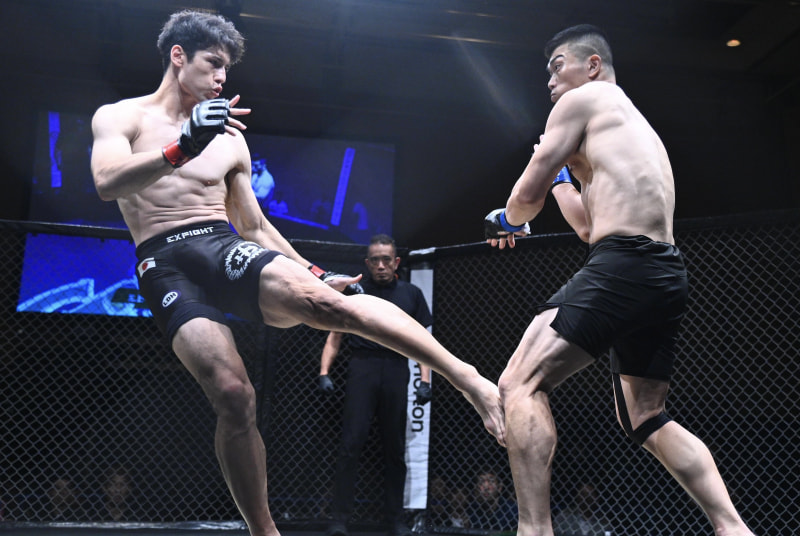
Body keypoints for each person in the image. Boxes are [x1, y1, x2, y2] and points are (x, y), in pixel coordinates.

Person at [90, 10, 505, 536]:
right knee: (234, 395)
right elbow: (107, 182)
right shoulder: (121, 117)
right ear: (178, 56)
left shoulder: (229, 140)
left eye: (226, 68)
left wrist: (314, 271)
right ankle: (265, 531)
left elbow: (253, 226)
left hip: (218, 244)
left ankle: (467, 379)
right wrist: (182, 146)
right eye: (213, 63)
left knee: (330, 305)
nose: (221, 78)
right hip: (163, 261)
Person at [483, 24, 755, 536]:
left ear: (592, 66)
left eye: (557, 65)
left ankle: (534, 530)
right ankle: (733, 528)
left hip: (625, 262)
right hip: (663, 272)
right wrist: (563, 178)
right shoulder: (629, 125)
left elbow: (526, 194)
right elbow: (588, 227)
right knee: (645, 417)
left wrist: (506, 220)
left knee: (519, 383)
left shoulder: (583, 99)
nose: (550, 80)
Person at [319, 234, 433, 536]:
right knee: (350, 444)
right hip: (362, 367)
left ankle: (395, 520)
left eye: (386, 260)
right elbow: (335, 334)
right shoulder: (355, 292)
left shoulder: (411, 293)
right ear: (367, 263)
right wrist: (324, 372)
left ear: (396, 262)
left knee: (395, 448)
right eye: (375, 260)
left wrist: (425, 380)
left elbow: (423, 342)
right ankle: (339, 519)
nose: (381, 265)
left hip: (396, 368)